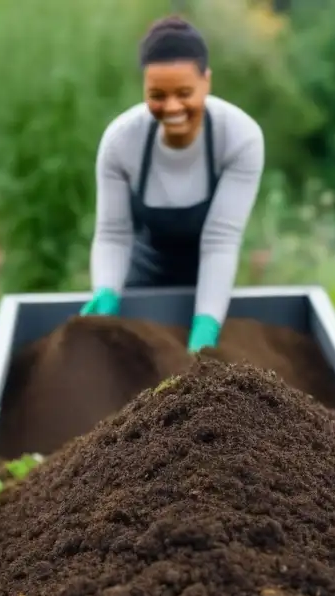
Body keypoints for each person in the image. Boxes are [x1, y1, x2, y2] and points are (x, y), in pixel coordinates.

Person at [79, 15, 265, 354]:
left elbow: (221, 239)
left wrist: (206, 327)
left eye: (184, 93)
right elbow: (113, 233)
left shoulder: (239, 137)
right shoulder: (121, 141)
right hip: (143, 276)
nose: (172, 107)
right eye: (157, 95)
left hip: (210, 279)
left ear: (206, 81)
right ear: (143, 89)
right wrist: (106, 293)